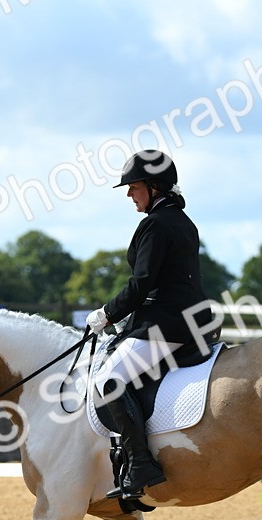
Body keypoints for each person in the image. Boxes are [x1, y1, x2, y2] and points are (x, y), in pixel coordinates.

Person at [86, 150, 213, 499]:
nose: (129, 194)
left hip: (167, 325)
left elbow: (142, 283)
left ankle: (141, 463)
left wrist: (108, 313)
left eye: (134, 187)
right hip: (192, 319)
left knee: (109, 380)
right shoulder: (183, 221)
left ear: (154, 187)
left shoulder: (155, 224)